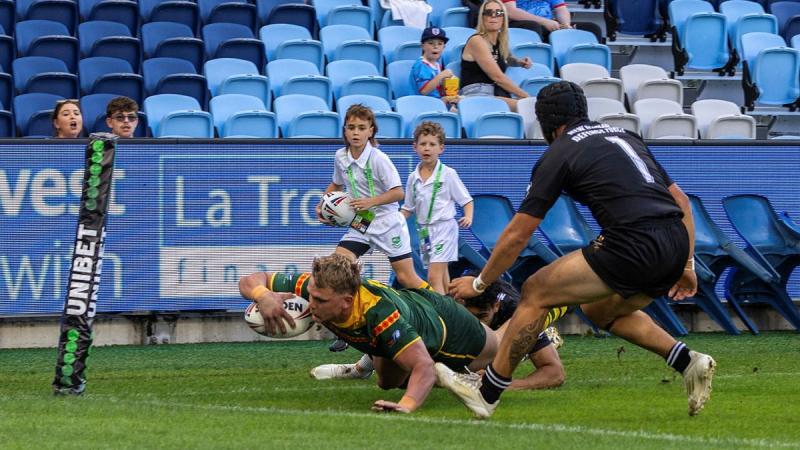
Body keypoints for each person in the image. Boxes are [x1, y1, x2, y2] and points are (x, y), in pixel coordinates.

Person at [439, 81, 716, 419]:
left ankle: (487, 392)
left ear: (546, 123)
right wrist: (686, 264)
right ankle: (688, 361)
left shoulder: (560, 151)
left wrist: (479, 284)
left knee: (536, 290)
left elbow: (517, 234)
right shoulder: (625, 135)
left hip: (634, 242)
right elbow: (682, 202)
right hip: (675, 242)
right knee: (600, 311)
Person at [238, 253, 500, 413]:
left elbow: (422, 366)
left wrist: (407, 405)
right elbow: (250, 279)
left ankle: (457, 373)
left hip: (448, 327)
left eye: (320, 300)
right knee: (386, 382)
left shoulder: (379, 314)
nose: (311, 303)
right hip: (410, 307)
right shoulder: (314, 286)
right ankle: (364, 367)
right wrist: (264, 296)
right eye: (312, 296)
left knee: (494, 352)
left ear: (346, 300)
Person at [401, 121, 473, 294]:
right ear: (415, 147)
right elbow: (408, 207)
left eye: (432, 144)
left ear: (441, 148)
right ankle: (451, 307)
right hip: (424, 232)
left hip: (444, 228)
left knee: (433, 277)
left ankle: (440, 316)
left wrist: (468, 216)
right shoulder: (413, 177)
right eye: (423, 144)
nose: (427, 148)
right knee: (441, 276)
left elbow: (466, 200)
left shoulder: (448, 174)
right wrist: (395, 221)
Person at [461, 272, 565, 391]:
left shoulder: (517, 314)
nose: (478, 325)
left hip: (543, 307)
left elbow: (556, 374)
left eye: (482, 316)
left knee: (529, 329)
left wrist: (501, 385)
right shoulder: (451, 307)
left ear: (496, 306)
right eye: (470, 317)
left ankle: (541, 338)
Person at [460, 0, 533, 112]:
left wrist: (519, 62)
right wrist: (527, 97)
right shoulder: (477, 40)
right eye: (489, 13)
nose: (493, 16)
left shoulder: (499, 41)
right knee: (529, 107)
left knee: (529, 107)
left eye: (498, 13)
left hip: (495, 92)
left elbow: (505, 58)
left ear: (503, 18)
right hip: (477, 93)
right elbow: (498, 78)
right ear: (482, 17)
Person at [410, 26, 459, 106]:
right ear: (422, 46)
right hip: (421, 105)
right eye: (431, 43)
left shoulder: (437, 65)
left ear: (444, 47)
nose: (436, 47)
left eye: (440, 44)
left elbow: (438, 90)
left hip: (435, 104)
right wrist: (441, 76)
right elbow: (424, 91)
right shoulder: (421, 65)